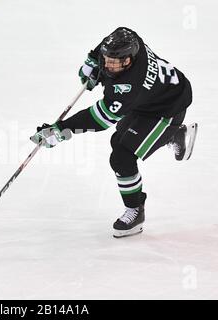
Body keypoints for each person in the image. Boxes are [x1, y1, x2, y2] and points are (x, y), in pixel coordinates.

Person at [30, 27, 198, 238]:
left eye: (115, 63)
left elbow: (99, 119)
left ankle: (135, 209)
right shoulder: (128, 41)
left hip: (167, 108)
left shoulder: (129, 87)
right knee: (119, 142)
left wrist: (62, 129)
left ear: (129, 60)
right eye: (107, 60)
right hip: (151, 99)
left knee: (122, 157)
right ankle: (173, 136)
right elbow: (111, 41)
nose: (109, 66)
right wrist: (93, 60)